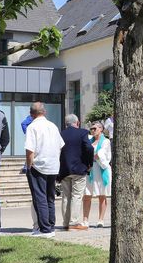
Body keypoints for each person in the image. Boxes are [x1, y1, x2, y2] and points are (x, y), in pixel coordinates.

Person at [25, 102, 64, 238]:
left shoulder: (32, 127)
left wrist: (29, 166)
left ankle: (45, 229)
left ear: (31, 114)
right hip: (53, 166)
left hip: (39, 166)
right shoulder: (52, 126)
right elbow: (60, 145)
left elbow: (30, 150)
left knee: (40, 197)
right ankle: (51, 226)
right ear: (44, 112)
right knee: (49, 198)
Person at [58, 114, 93, 231]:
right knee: (77, 196)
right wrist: (89, 163)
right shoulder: (82, 133)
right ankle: (73, 223)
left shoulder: (61, 134)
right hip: (79, 168)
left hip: (64, 170)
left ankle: (65, 223)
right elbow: (89, 148)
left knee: (66, 196)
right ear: (77, 123)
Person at [83, 121, 112, 228]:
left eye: (95, 128)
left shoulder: (106, 141)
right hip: (90, 168)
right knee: (87, 195)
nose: (93, 130)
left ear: (101, 129)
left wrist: (94, 155)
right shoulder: (89, 140)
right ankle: (85, 219)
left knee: (102, 195)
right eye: (92, 129)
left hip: (100, 169)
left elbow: (102, 154)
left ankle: (100, 219)